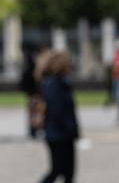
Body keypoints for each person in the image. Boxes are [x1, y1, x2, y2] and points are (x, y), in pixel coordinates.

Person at [36, 51, 79, 183]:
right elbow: (58, 110)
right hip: (58, 134)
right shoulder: (54, 84)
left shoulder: (60, 82)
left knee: (67, 172)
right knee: (58, 169)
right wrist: (71, 128)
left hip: (61, 133)